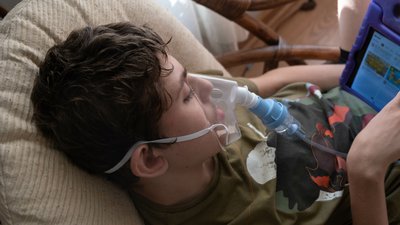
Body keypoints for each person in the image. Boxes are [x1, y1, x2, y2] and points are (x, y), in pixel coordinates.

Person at [30, 21, 400, 225]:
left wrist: (358, 77)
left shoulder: (195, 115)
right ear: (151, 159)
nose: (210, 85)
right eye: (188, 94)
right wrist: (366, 169)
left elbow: (268, 85)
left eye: (188, 75)